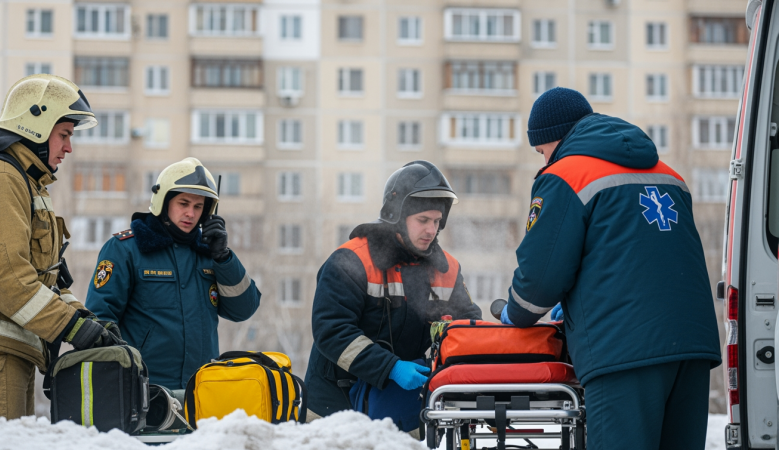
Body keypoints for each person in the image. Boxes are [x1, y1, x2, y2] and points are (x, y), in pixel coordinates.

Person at [499, 87, 722, 450]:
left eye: (541, 151)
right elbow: (638, 257)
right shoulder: (669, 175)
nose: (542, 160)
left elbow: (540, 277)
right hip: (693, 348)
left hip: (624, 353)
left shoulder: (566, 174)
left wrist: (516, 312)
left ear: (552, 138)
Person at [0, 74, 124, 419]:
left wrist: (88, 322)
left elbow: (43, 280)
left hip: (4, 349)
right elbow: (4, 279)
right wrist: (71, 328)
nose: (69, 147)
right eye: (65, 134)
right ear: (36, 125)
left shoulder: (24, 182)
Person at [304, 160, 482, 436]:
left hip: (399, 405)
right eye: (422, 220)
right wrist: (391, 367)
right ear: (397, 216)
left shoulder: (446, 269)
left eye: (436, 221)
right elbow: (331, 331)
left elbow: (468, 325)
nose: (431, 230)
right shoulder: (351, 261)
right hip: (335, 406)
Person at [85, 158, 261, 389]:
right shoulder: (125, 248)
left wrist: (224, 258)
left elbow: (243, 310)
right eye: (183, 203)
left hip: (200, 388)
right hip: (141, 388)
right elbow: (101, 318)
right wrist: (114, 379)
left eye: (198, 207)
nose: (190, 213)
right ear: (164, 201)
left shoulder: (210, 253)